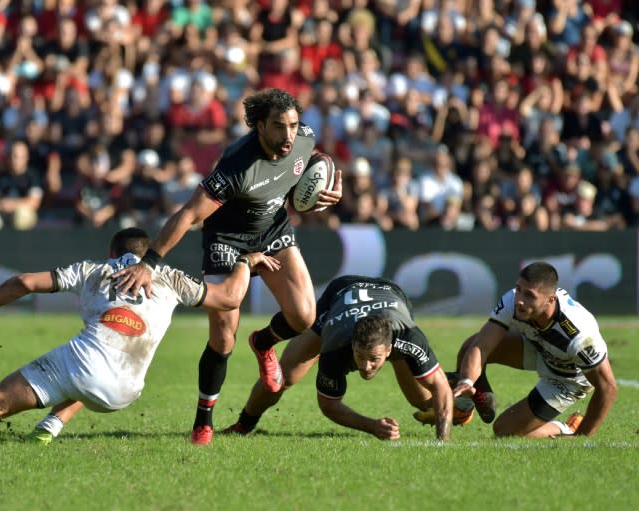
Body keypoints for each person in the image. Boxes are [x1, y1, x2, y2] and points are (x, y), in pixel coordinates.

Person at [0, 227, 279, 446]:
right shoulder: (171, 279)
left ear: (112, 252)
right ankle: (51, 425)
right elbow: (229, 297)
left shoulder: (93, 271)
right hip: (126, 392)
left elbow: (24, 282)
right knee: (89, 362)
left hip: (83, 366)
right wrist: (246, 261)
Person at [112, 88, 343, 445]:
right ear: (259, 126)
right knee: (222, 338)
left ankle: (264, 342)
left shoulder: (304, 139)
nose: (288, 136)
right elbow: (189, 213)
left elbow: (305, 171)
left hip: (273, 230)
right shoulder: (237, 164)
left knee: (303, 316)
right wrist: (150, 263)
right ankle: (203, 421)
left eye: (293, 126)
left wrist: (320, 195)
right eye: (279, 127)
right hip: (227, 240)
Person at [223, 276, 463, 442]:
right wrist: (372, 426)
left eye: (374, 359)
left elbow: (438, 385)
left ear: (389, 350)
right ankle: (243, 425)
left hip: (392, 297)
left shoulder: (409, 338)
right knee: (282, 378)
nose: (366, 367)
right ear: (352, 346)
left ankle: (466, 389)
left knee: (421, 399)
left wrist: (443, 442)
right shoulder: (336, 347)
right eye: (360, 356)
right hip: (340, 296)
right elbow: (328, 405)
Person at [449, 261, 618, 438]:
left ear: (550, 300)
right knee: (471, 345)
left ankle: (566, 428)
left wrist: (582, 437)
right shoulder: (513, 300)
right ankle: (468, 405)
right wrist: (467, 381)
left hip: (566, 379)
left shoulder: (579, 335)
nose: (520, 300)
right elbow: (482, 346)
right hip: (539, 348)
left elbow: (608, 387)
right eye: (519, 289)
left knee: (504, 432)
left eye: (529, 295)